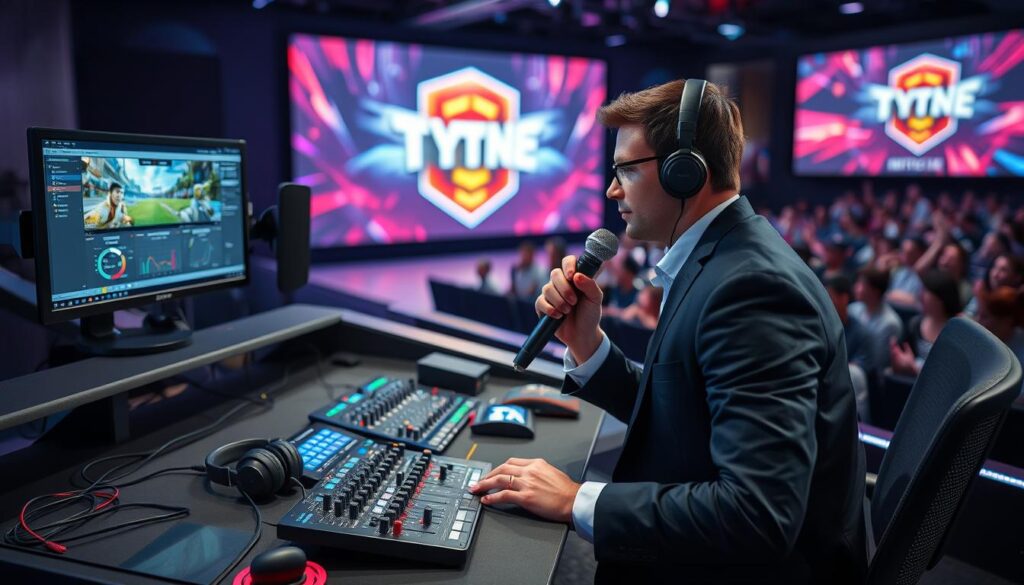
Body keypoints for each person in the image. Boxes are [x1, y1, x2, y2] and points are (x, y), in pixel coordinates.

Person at [470, 79, 866, 584]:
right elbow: (686, 411)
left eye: (627, 171)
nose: (612, 189)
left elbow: (757, 514)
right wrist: (586, 344)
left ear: (687, 173)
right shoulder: (718, 255)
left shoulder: (752, 289)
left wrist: (577, 500)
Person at [890, 269, 962, 377]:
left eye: (925, 293)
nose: (920, 297)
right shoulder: (914, 324)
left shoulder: (957, 332)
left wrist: (914, 368)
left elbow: (951, 375)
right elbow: (900, 361)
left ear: (940, 300)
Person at [849, 266, 904, 384]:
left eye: (862, 285)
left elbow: (876, 362)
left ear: (875, 291)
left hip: (872, 381)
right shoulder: (853, 309)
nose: (856, 288)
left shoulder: (889, 324)